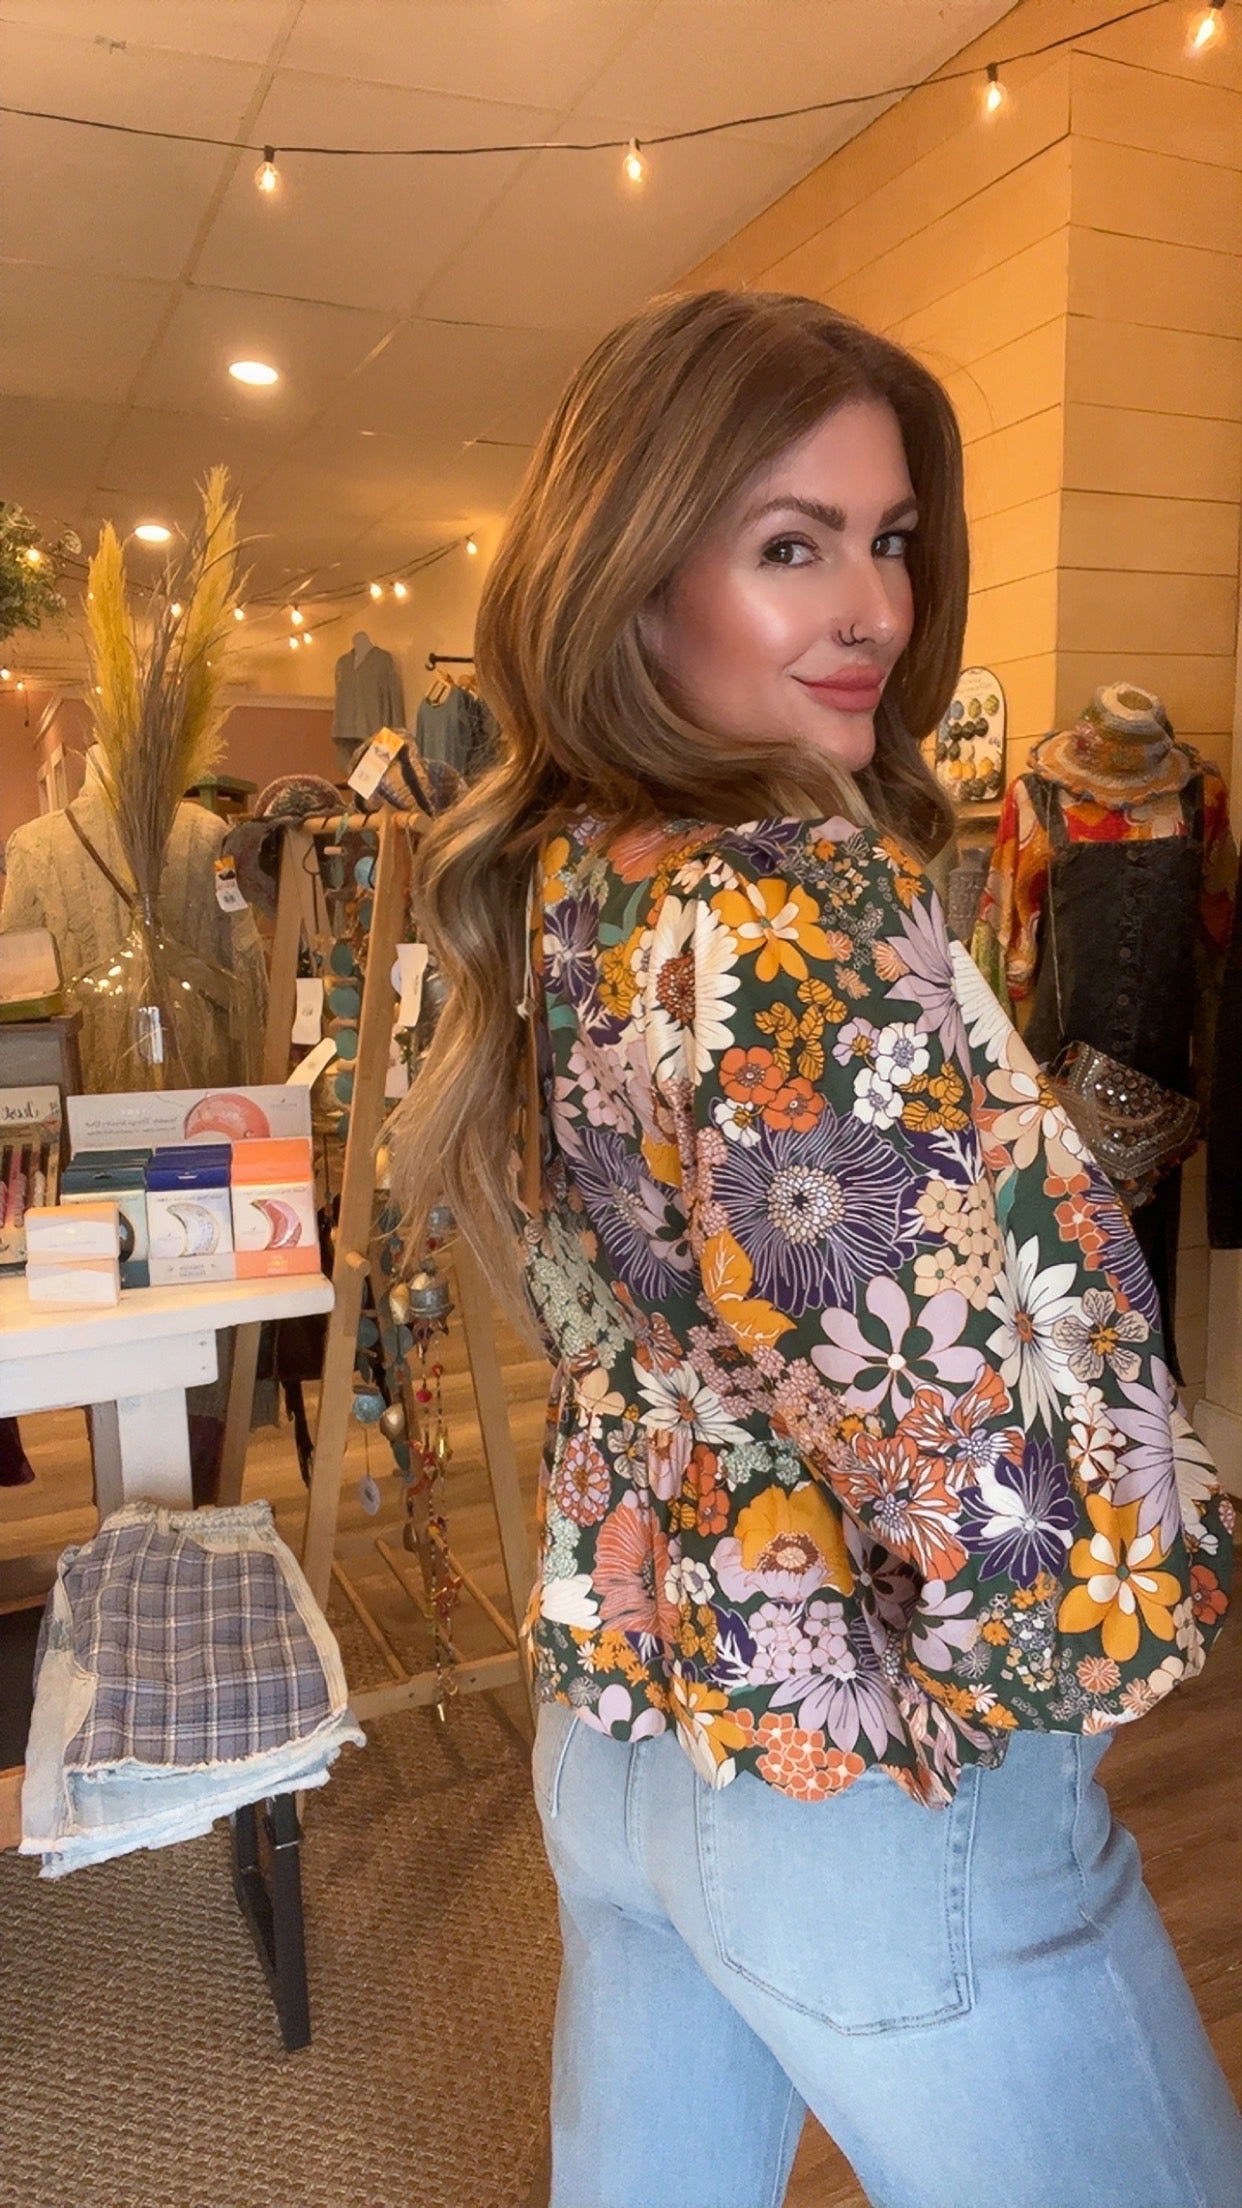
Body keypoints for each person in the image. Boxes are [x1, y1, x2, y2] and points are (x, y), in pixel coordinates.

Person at [391, 291, 1241, 2208]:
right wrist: (1089, 1672)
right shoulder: (789, 900)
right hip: (865, 1777)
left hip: (632, 1723)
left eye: (889, 539)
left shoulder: (574, 882)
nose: (870, 607)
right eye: (791, 545)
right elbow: (927, 1403)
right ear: (630, 580)